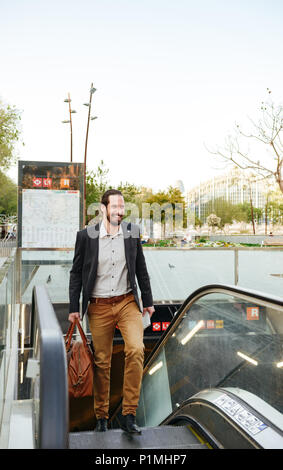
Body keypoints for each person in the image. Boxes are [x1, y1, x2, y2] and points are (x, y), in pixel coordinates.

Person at [68, 189, 155, 434]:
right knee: (102, 361)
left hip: (127, 301)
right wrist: (74, 307)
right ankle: (102, 417)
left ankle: (128, 414)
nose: (119, 211)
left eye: (122, 206)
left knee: (136, 349)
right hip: (99, 306)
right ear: (103, 209)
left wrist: (147, 301)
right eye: (114, 206)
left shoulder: (131, 233)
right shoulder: (86, 236)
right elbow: (76, 273)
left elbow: (141, 268)